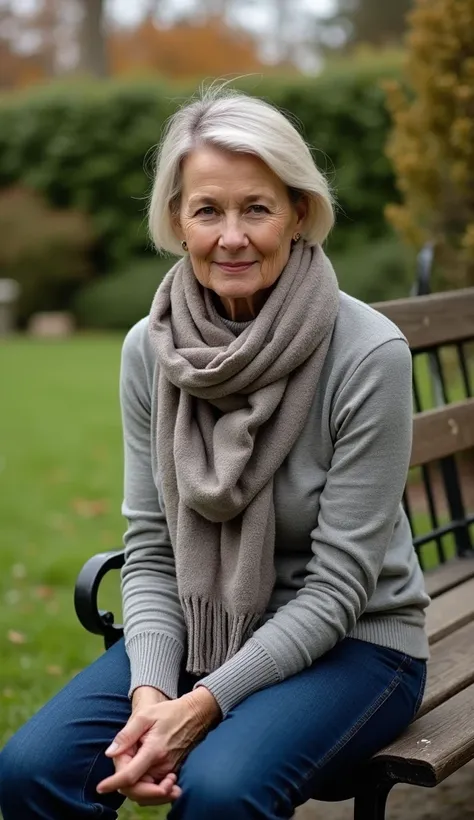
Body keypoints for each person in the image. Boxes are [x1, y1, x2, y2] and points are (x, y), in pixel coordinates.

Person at [0, 85, 430, 820]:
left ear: (298, 212)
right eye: (208, 210)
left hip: (357, 640)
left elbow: (337, 588)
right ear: (177, 220)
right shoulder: (150, 350)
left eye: (256, 208)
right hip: (204, 627)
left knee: (221, 793)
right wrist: (151, 695)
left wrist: (203, 705)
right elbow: (152, 549)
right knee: (28, 771)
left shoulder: (367, 354)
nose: (232, 236)